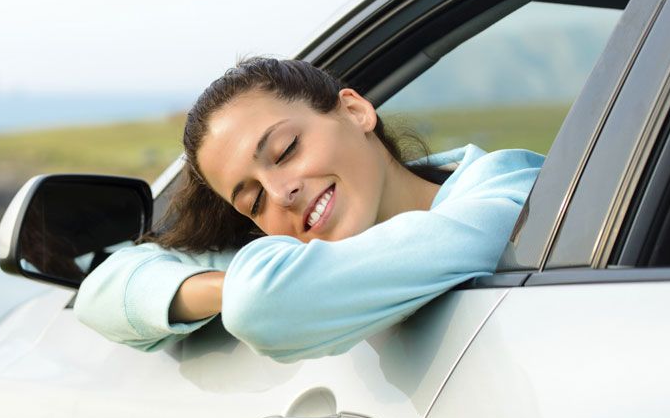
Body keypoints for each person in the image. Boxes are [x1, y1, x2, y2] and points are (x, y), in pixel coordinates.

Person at [74, 57, 544, 363]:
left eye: (285, 150)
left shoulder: (510, 198)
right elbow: (102, 292)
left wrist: (252, 281)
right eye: (252, 200)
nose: (280, 193)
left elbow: (265, 302)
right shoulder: (297, 255)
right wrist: (229, 283)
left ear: (356, 111)